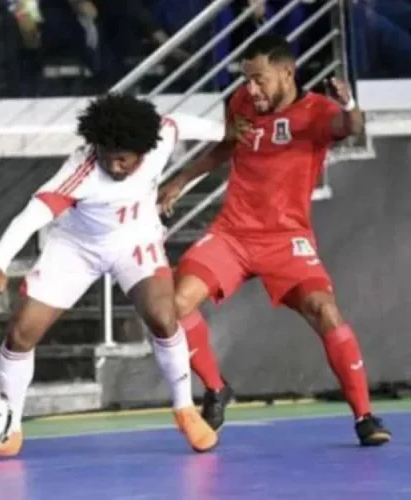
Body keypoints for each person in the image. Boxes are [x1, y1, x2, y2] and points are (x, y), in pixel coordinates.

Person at [0, 93, 227, 462]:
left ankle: (185, 410)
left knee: (165, 318)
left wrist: (230, 129)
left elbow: (187, 124)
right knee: (22, 332)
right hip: (76, 248)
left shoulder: (161, 136)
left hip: (134, 239)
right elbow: (32, 215)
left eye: (124, 159)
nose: (115, 166)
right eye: (107, 155)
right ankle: (10, 430)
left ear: (142, 150)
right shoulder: (80, 172)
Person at [158, 35, 392, 446]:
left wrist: (351, 105)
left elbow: (351, 127)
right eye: (246, 80)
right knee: (173, 306)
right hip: (232, 233)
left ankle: (365, 417)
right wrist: (178, 181)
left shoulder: (316, 113)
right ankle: (216, 389)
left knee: (326, 312)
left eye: (259, 80)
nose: (251, 90)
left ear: (287, 72)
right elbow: (227, 146)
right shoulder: (241, 104)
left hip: (287, 238)